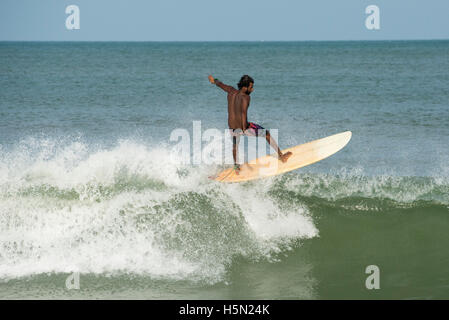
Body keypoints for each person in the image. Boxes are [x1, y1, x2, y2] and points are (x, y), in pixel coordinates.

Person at [208, 74, 292, 174]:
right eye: (251, 87)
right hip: (244, 127)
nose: (252, 90)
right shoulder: (246, 97)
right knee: (267, 134)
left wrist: (214, 80)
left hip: (232, 127)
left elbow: (220, 84)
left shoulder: (231, 90)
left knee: (235, 145)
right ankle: (281, 156)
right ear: (245, 87)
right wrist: (244, 128)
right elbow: (243, 113)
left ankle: (236, 166)